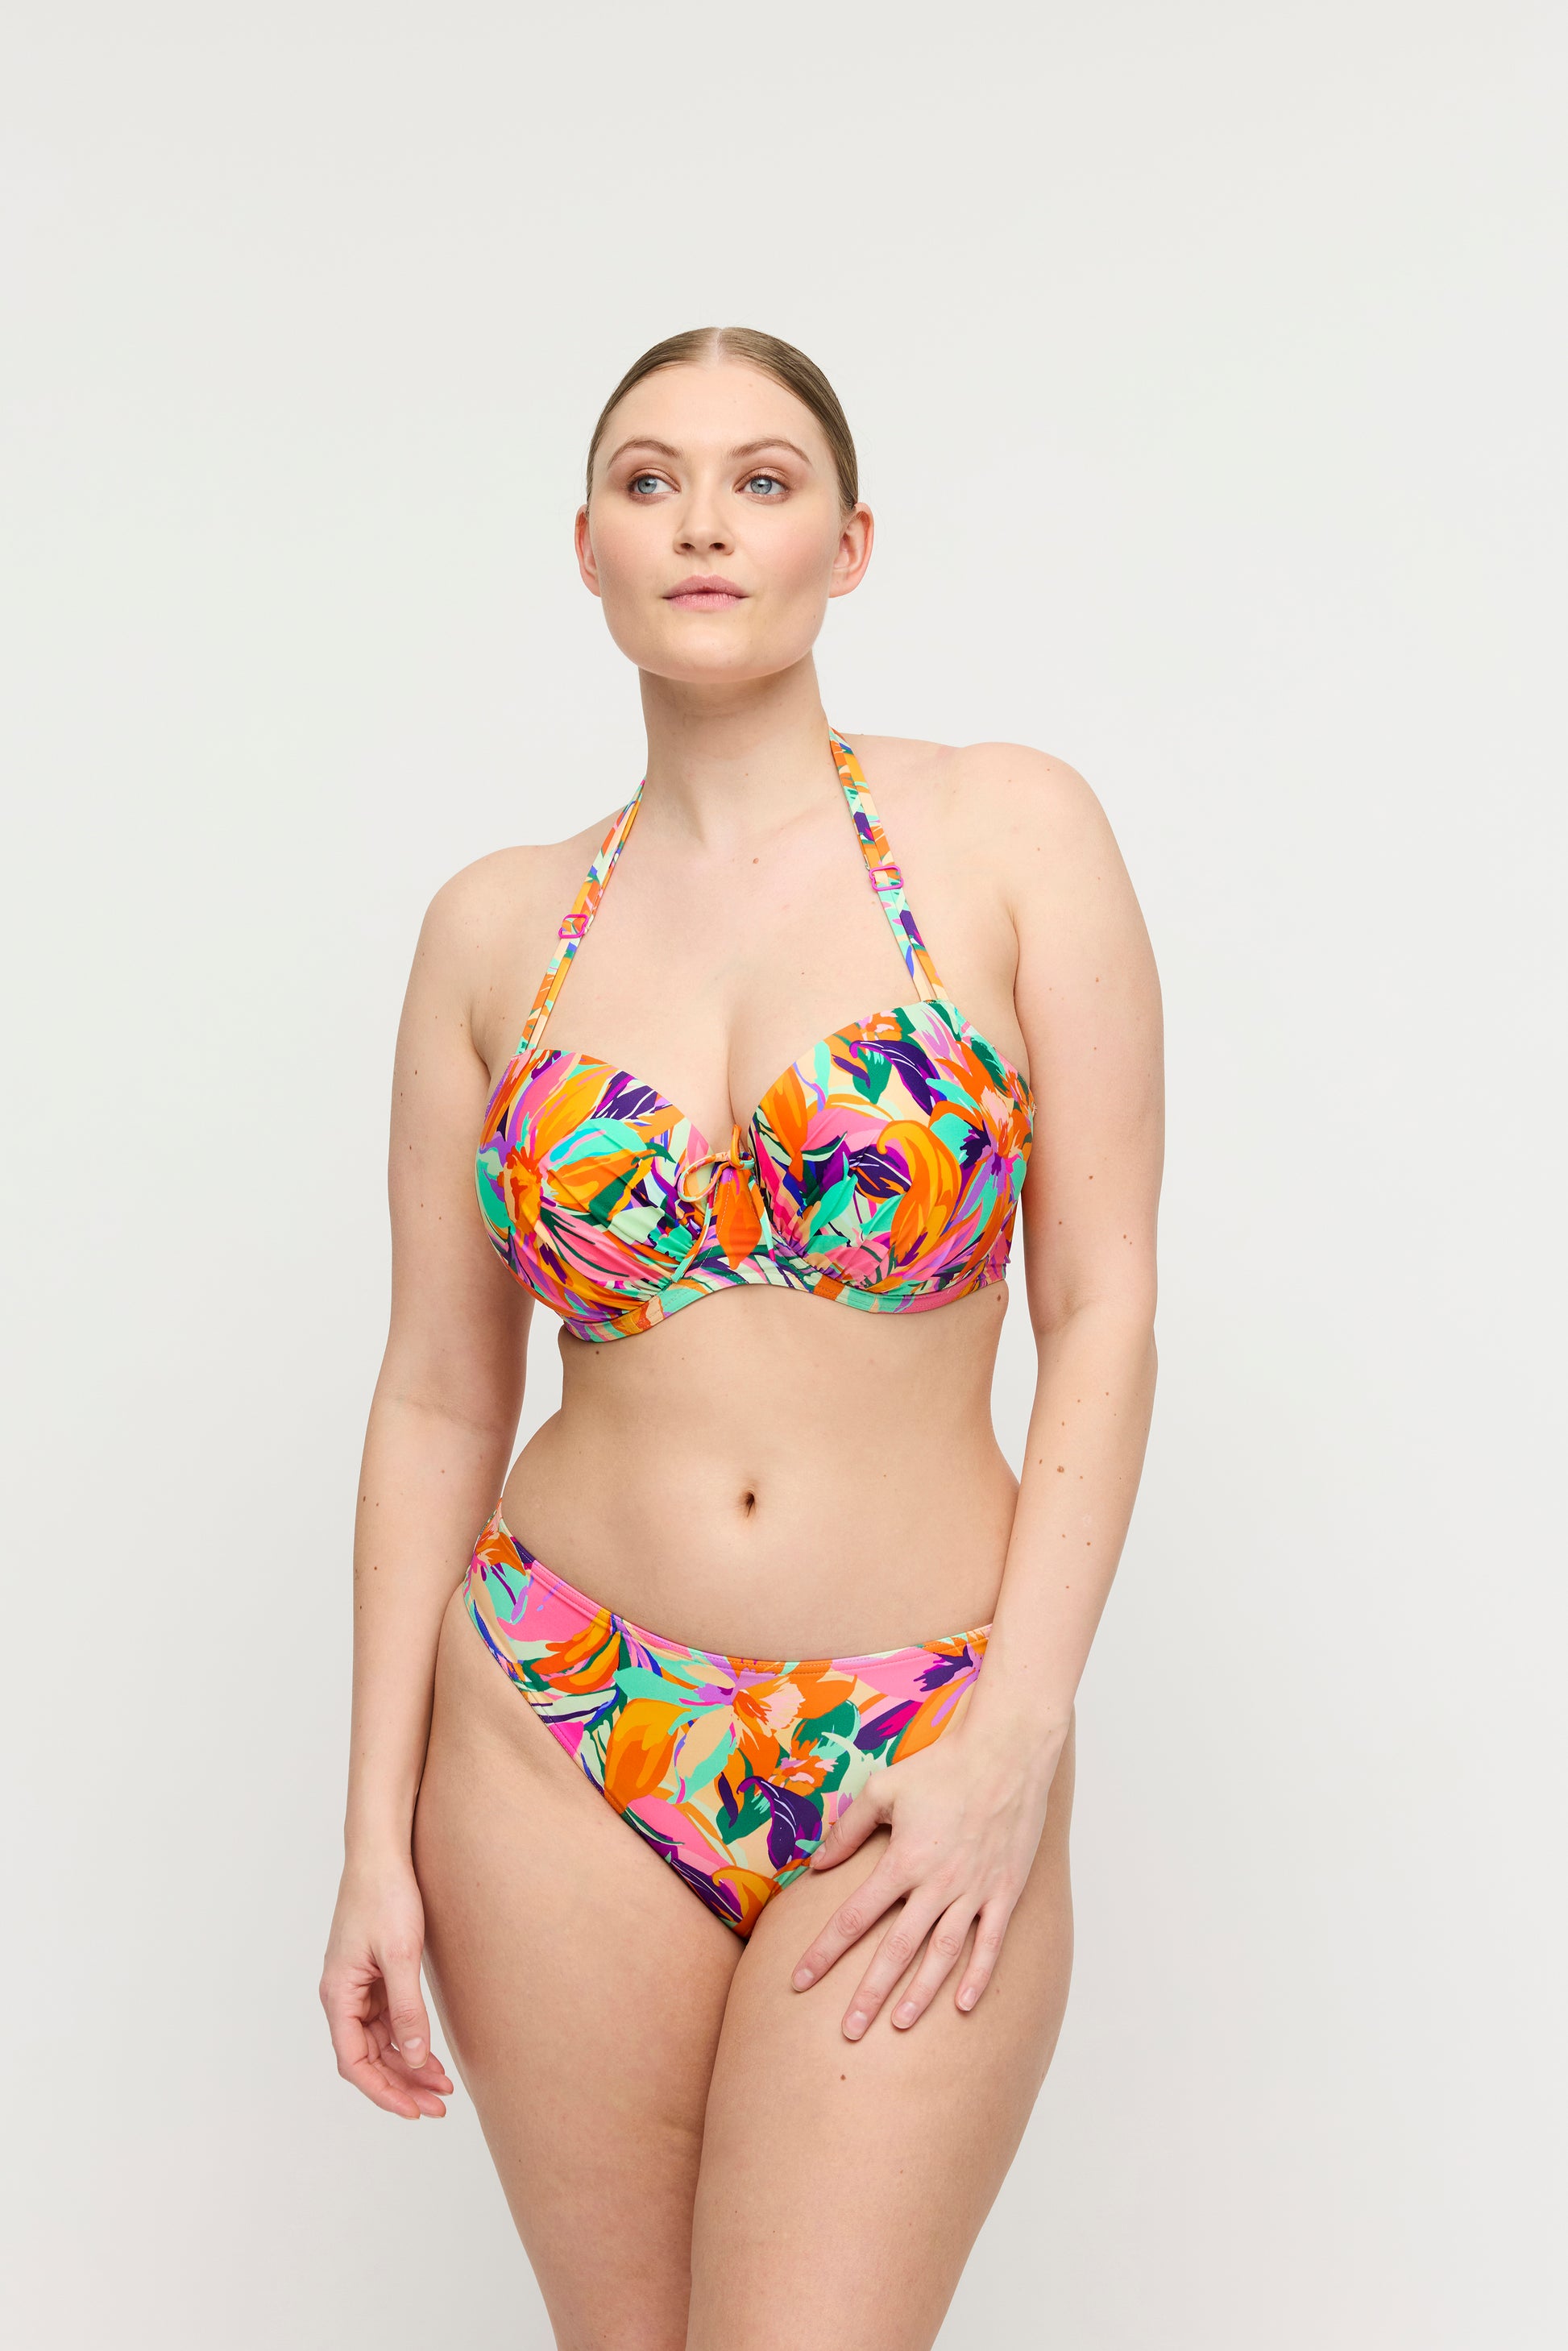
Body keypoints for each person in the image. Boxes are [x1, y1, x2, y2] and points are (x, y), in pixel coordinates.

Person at [320, 325, 1164, 2351]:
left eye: (763, 480)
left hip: (915, 1726)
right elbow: (437, 1391)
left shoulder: (1007, 833)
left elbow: (1105, 1309)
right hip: (552, 1730)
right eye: (652, 479)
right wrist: (370, 1837)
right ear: (588, 547)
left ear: (847, 547)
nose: (704, 520)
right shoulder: (491, 929)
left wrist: (1016, 1737)